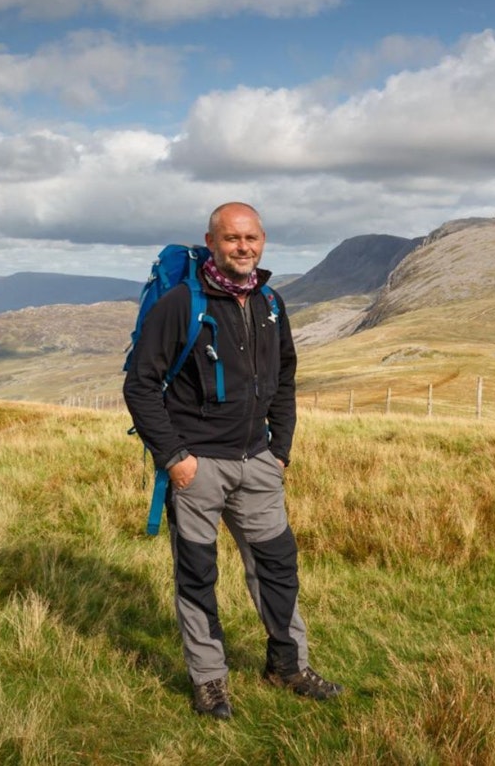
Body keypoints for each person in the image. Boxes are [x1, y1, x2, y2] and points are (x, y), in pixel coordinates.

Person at [123, 202, 341, 720]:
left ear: (263, 240)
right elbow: (141, 385)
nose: (243, 247)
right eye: (231, 238)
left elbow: (285, 377)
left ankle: (287, 665)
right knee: (198, 575)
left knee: (278, 568)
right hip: (198, 468)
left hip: (259, 464)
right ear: (211, 241)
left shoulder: (270, 302)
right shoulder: (181, 303)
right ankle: (210, 681)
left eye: (252, 238)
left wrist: (281, 449)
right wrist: (175, 458)